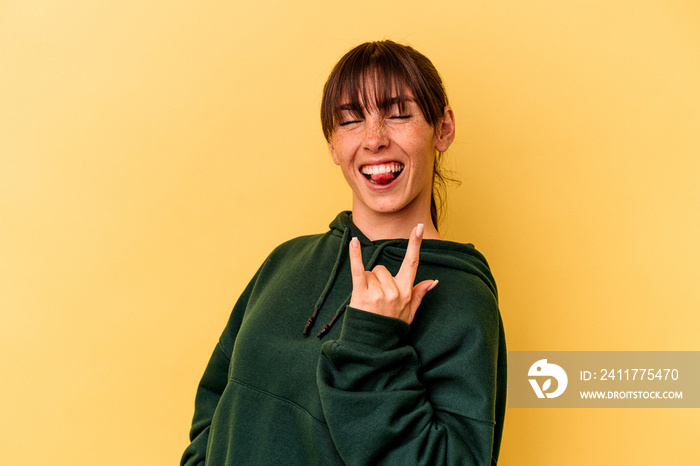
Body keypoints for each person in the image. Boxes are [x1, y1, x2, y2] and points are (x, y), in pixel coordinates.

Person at [181, 40, 507, 465]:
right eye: (351, 121)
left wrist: (373, 344)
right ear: (333, 145)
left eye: (398, 114)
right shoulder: (285, 262)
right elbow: (216, 406)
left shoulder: (461, 299)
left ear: (442, 129)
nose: (374, 139)